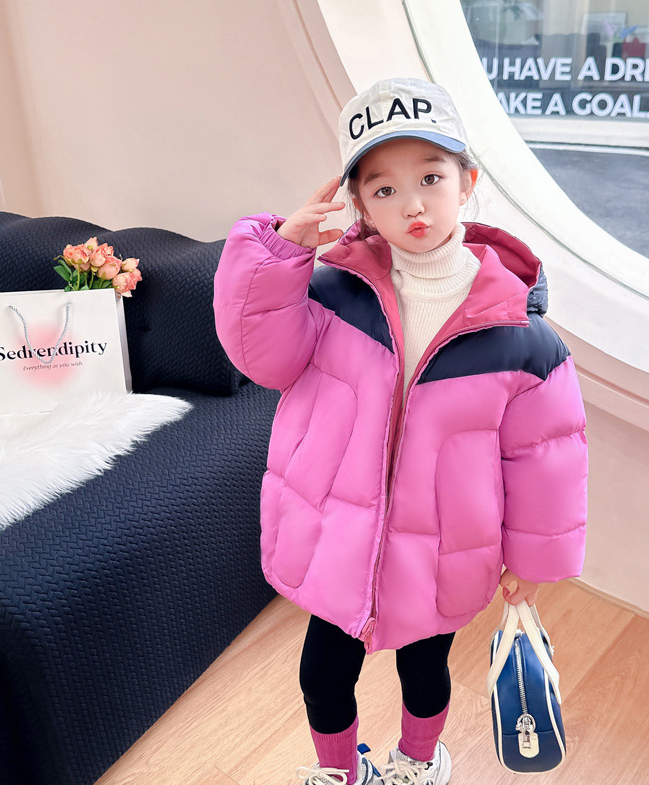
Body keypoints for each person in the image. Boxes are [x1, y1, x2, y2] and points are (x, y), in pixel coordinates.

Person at [213, 78, 588, 785]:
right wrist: (278, 257)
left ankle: (418, 761)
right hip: (338, 536)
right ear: (357, 205)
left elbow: (545, 458)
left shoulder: (522, 335)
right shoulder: (328, 293)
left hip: (443, 548)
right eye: (383, 189)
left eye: (431, 178)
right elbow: (261, 358)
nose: (412, 204)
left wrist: (533, 561)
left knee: (426, 673)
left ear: (467, 181)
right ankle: (339, 771)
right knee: (323, 676)